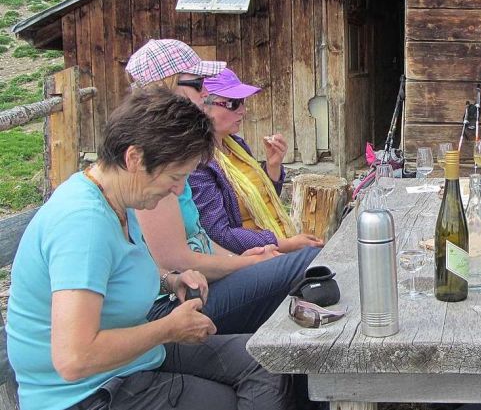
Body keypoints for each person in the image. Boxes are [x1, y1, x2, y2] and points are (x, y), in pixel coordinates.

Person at [7, 88, 302, 410]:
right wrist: (168, 328)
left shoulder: (116, 199)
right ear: (134, 158)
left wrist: (170, 281)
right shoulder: (83, 225)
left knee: (266, 360)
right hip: (87, 392)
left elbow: (114, 276)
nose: (178, 189)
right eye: (175, 176)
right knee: (235, 399)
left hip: (132, 359)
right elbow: (74, 359)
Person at [125, 39, 321, 334]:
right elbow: (178, 258)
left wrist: (244, 259)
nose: (205, 93)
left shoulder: (228, 146)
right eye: (198, 84)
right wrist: (254, 260)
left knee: (304, 272)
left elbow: (203, 235)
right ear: (165, 87)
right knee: (309, 261)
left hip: (207, 278)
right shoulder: (155, 159)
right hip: (178, 300)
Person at [189, 68, 324, 254]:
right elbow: (219, 234)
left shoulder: (236, 146)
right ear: (203, 105)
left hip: (278, 242)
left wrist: (273, 166)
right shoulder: (198, 163)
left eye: (243, 102)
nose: (243, 111)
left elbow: (262, 201)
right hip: (252, 256)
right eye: (233, 103)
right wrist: (286, 244)